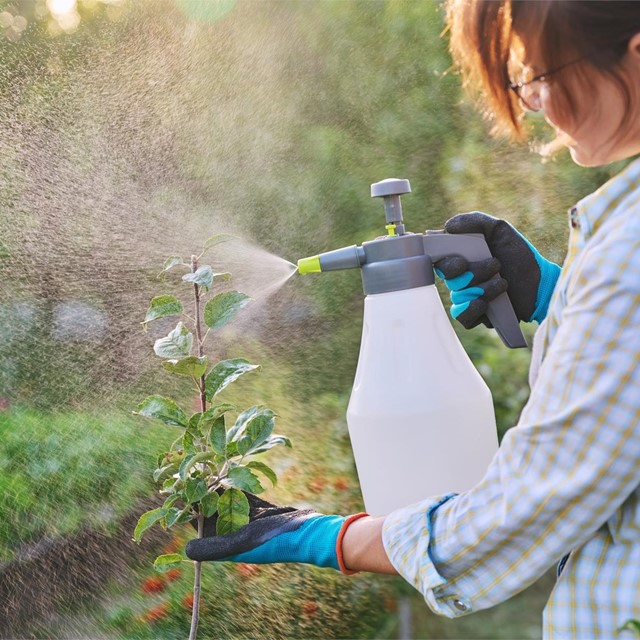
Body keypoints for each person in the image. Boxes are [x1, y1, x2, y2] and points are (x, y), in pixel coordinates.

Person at [186, 1, 640, 636]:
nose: (535, 103)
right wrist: (553, 296)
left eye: (542, 75)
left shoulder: (628, 248)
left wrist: (326, 538)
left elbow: (531, 508)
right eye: (524, 80)